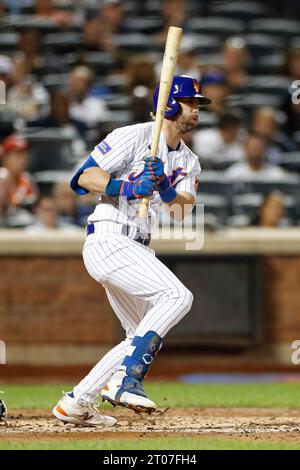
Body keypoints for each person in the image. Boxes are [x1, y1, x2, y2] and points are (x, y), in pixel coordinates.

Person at [52, 75, 211, 427]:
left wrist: (166, 189)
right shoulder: (134, 135)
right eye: (191, 102)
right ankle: (126, 380)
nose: (196, 109)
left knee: (137, 334)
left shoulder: (189, 160)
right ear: (169, 104)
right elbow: (83, 177)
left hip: (136, 246)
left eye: (198, 103)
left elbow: (183, 211)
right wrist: (127, 185)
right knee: (177, 297)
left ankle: (77, 402)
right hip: (109, 237)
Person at [0, 134, 39, 208]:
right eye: (18, 154)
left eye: (25, 154)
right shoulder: (1, 177)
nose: (23, 159)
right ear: (5, 157)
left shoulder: (26, 179)